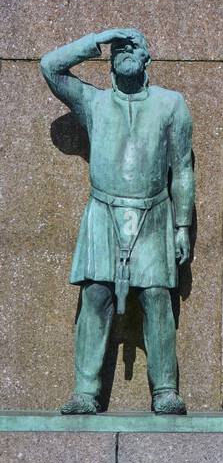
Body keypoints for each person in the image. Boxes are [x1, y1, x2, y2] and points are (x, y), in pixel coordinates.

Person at [41, 29, 194, 415]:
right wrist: (100, 37)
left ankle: (164, 390)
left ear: (147, 59)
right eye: (118, 49)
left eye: (133, 47)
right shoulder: (94, 102)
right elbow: (50, 67)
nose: (124, 52)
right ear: (108, 60)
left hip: (154, 211)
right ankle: (85, 391)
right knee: (95, 295)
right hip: (104, 212)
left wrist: (181, 226)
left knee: (157, 298)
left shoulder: (171, 104)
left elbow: (183, 170)